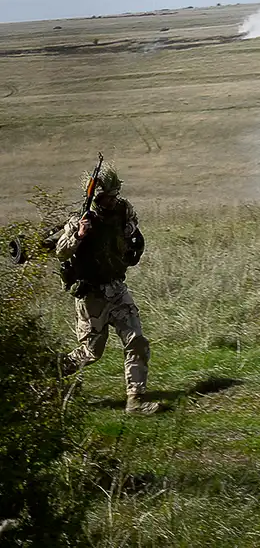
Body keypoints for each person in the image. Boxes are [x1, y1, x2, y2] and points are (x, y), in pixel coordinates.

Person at [55, 165, 163, 415]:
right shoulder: (81, 220)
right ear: (96, 197)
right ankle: (54, 370)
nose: (113, 200)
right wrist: (79, 235)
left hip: (117, 289)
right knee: (91, 352)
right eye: (108, 196)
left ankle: (135, 400)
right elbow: (61, 251)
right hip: (92, 297)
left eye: (115, 194)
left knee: (136, 340)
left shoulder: (123, 211)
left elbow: (131, 233)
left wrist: (130, 233)